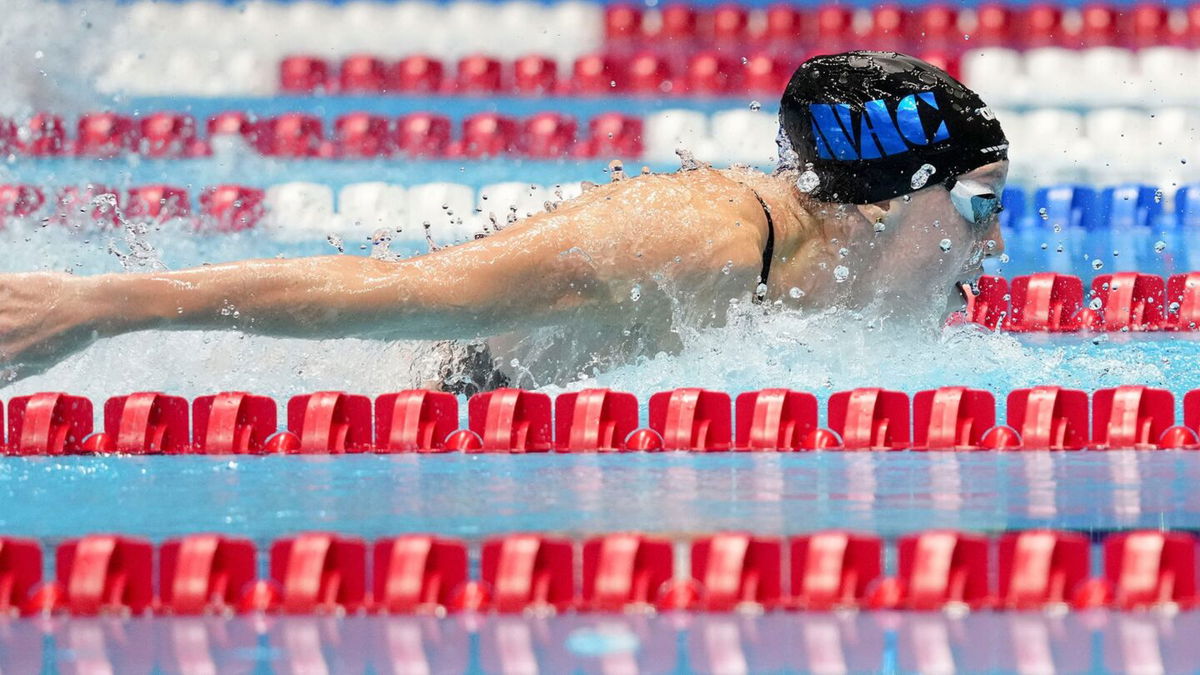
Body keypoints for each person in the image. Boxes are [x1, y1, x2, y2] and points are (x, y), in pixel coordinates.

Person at [0, 51, 1008, 391]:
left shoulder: (803, 269)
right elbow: (402, 294)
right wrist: (102, 303)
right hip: (408, 414)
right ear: (886, 197)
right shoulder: (694, 239)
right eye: (977, 205)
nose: (993, 242)